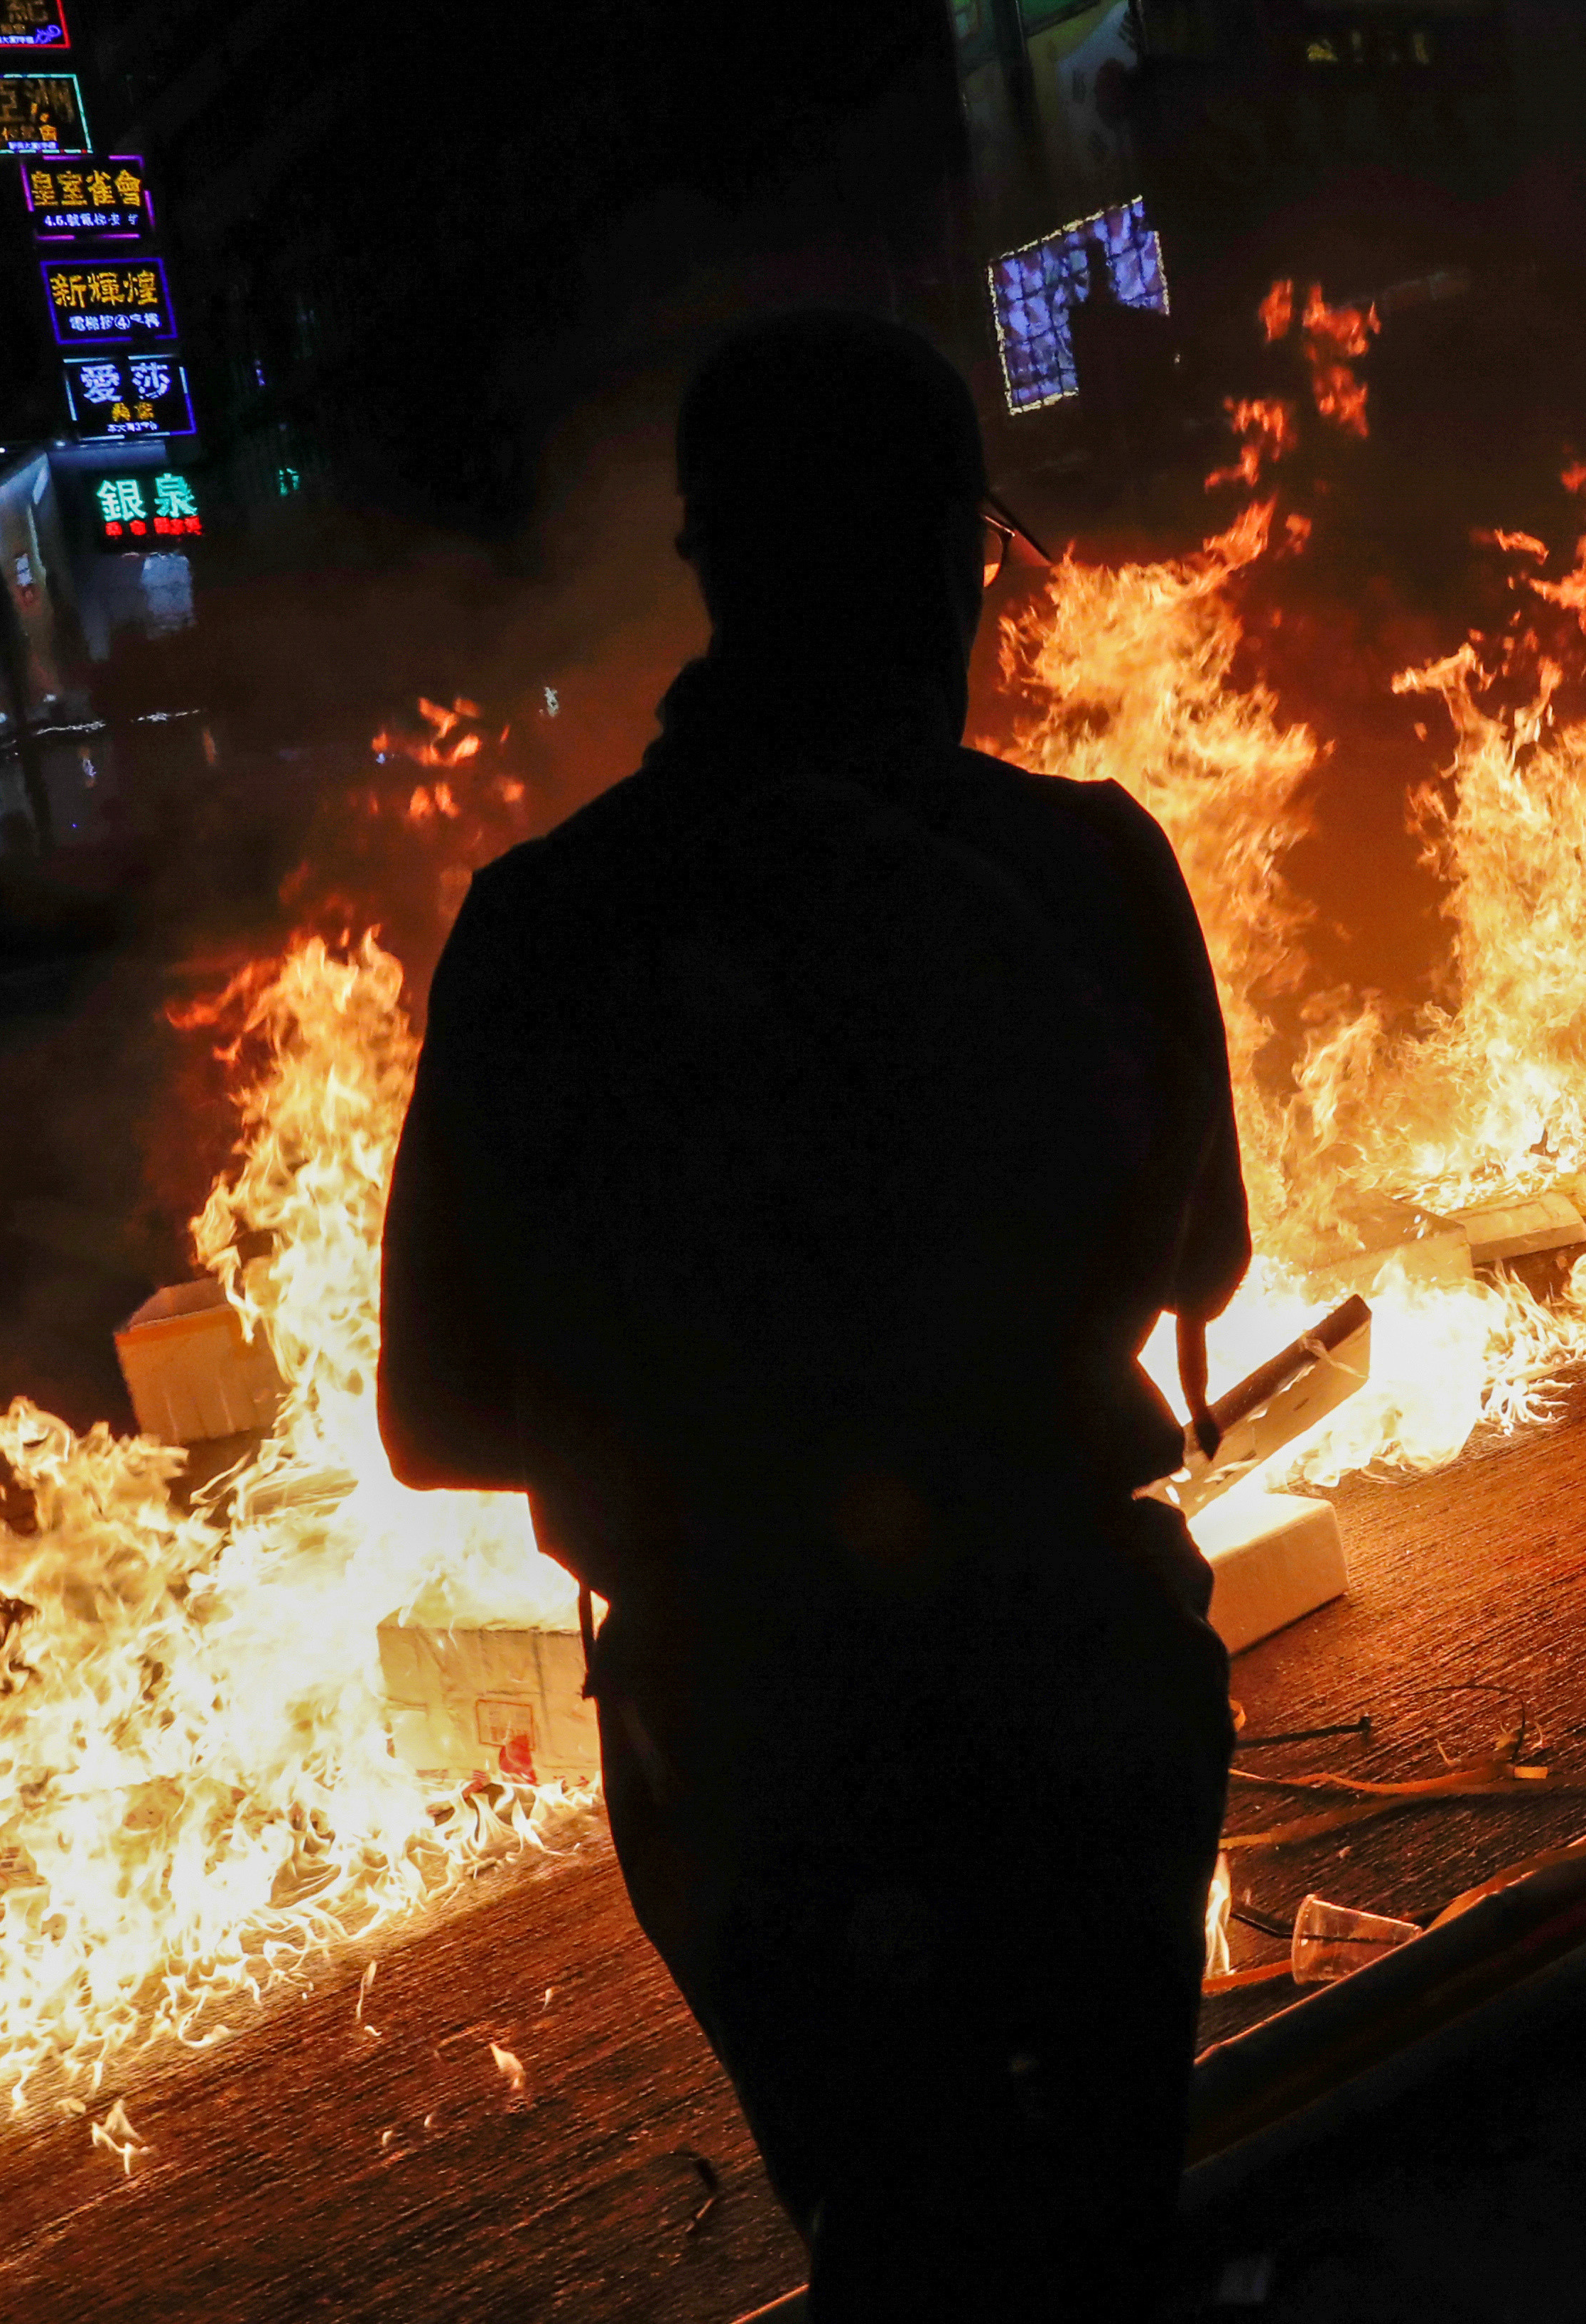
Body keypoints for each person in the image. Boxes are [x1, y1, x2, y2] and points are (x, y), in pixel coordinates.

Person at [378, 310, 1247, 2322]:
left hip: (749, 1727)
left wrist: (715, 1414)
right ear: (959, 558)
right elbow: (1199, 1265)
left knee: (901, 2228)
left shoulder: (542, 924)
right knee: (1099, 2218)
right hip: (1079, 1681)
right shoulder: (1088, 862)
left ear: (711, 565)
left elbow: (435, 1407)